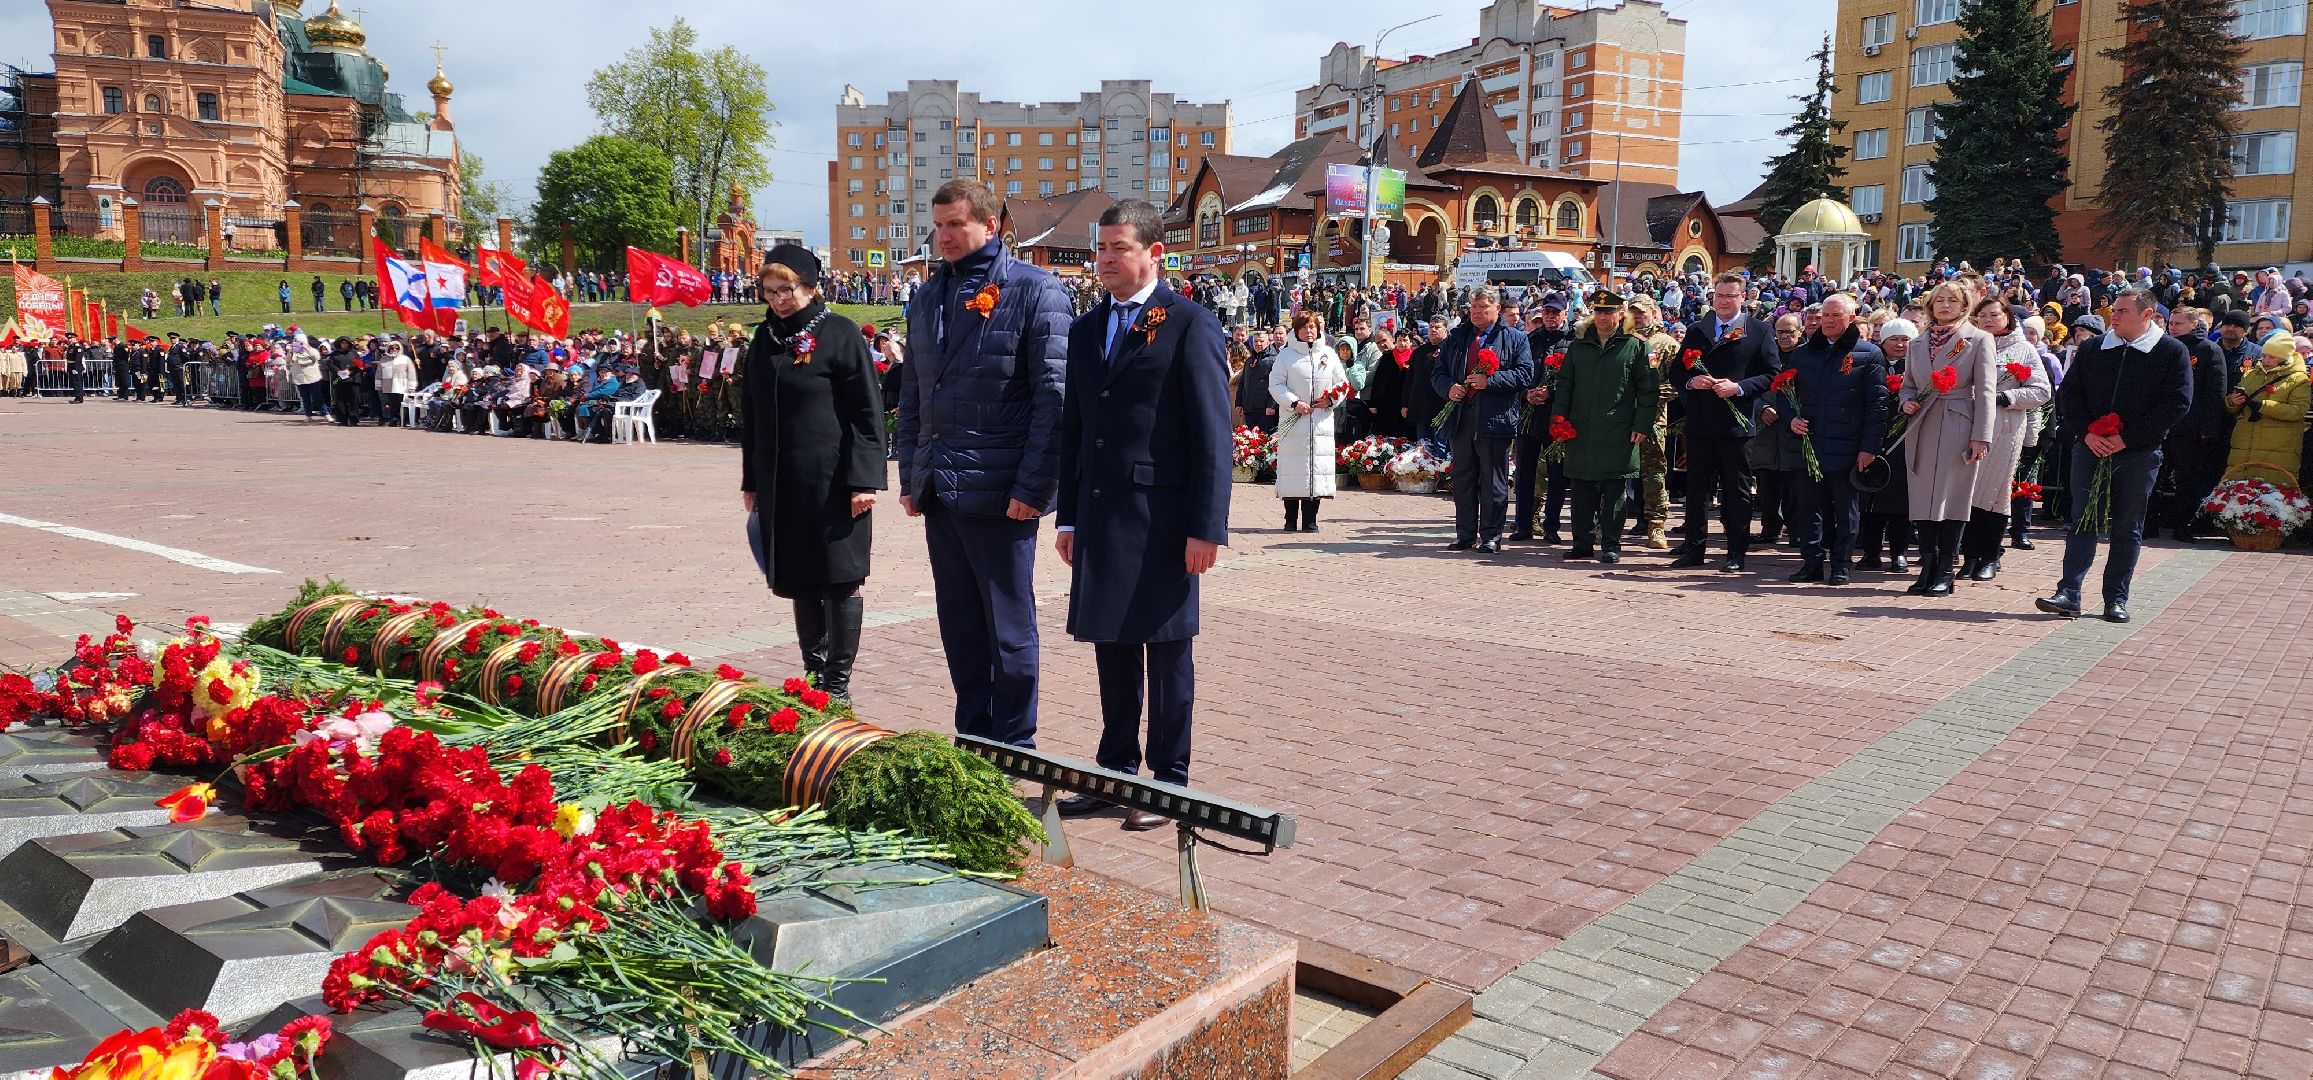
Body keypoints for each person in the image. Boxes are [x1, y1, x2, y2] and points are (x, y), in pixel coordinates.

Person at [1053, 199, 1232, 830]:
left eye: (1118, 248)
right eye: (1099, 248)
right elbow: (1075, 427)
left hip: (1165, 519)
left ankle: (1169, 782)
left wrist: (1207, 526)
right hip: (1102, 516)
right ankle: (1116, 769)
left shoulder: (1189, 323)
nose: (1104, 260)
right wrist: (1068, 516)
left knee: (1167, 651)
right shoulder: (1085, 328)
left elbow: (1214, 431)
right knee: (1112, 645)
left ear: (1156, 253)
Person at [894, 179, 1072, 749]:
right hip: (942, 490)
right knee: (961, 627)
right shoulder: (924, 297)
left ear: (989, 225)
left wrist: (1035, 487)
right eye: (938, 225)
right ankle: (973, 735)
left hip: (1002, 494)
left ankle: (1016, 742)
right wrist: (911, 476)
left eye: (956, 225)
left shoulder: (1034, 290)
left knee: (1009, 630)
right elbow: (916, 393)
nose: (943, 236)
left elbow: (1054, 399)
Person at [740, 245, 887, 701]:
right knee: (801, 576)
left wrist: (864, 480)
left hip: (834, 480)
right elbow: (753, 414)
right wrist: (752, 479)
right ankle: (813, 675)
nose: (779, 299)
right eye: (770, 291)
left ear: (810, 287)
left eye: (788, 290)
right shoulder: (764, 339)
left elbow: (868, 411)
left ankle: (838, 684)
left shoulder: (840, 334)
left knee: (839, 577)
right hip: (783, 480)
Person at [2038, 287, 2193, 624]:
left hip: (2137, 453)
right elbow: (2070, 395)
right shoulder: (2094, 348)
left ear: (2147, 315)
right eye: (2116, 310)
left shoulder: (2170, 351)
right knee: (2083, 519)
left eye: (2122, 311)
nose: (2115, 316)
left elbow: (2177, 404)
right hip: (2090, 447)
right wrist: (2086, 433)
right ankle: (2069, 592)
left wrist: (2127, 439)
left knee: (2127, 525)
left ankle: (2115, 598)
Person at [1671, 272, 1781, 571]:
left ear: (1742, 298)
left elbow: (1772, 373)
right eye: (1719, 295)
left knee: (1737, 491)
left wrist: (1739, 387)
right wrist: (1692, 382)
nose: (1723, 301)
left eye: (1730, 296)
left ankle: (1735, 552)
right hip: (1701, 423)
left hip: (1737, 425)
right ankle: (1694, 549)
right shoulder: (1698, 330)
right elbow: (1676, 373)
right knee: (1696, 490)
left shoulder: (1758, 331)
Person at [1896, 280, 1996, 598]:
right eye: (1940, 300)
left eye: (1952, 300)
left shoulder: (1978, 339)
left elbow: (1986, 391)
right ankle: (1927, 566)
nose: (1945, 305)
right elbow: (1909, 384)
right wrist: (1906, 401)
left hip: (1958, 422)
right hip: (1923, 424)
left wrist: (1981, 436)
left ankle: (1945, 569)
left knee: (1953, 499)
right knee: (1924, 499)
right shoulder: (1917, 344)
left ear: (1965, 304)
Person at [1784, 295, 1887, 585]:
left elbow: (1877, 406)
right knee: (1808, 508)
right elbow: (1784, 391)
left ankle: (1841, 564)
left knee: (1846, 509)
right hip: (1809, 443)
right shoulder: (1803, 353)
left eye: (1835, 316)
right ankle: (1812, 562)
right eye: (1824, 315)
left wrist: (1869, 447)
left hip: (1848, 446)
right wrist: (1791, 417)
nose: (1828, 321)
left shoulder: (1867, 353)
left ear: (1851, 318)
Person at [1549, 289, 1657, 563]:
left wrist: (1642, 424)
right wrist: (1559, 419)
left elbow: (1648, 390)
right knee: (1582, 488)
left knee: (1614, 489)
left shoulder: (1636, 346)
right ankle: (1582, 543)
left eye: (1608, 311)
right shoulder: (1579, 346)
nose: (1602, 317)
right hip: (1581, 429)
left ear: (1621, 315)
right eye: (1598, 311)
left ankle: (1611, 543)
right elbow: (1565, 386)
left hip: (1618, 430)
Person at [1433, 287, 1535, 553]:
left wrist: (1490, 382)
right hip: (1461, 418)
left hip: (1494, 420)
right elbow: (1438, 372)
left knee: (1493, 482)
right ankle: (1465, 533)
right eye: (1473, 308)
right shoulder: (1457, 337)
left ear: (1497, 309)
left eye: (1483, 308)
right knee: (1464, 480)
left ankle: (1491, 535)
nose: (1476, 313)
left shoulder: (1514, 338)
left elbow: (1525, 375)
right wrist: (1448, 388)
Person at [1959, 301, 2053, 581]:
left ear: (2007, 317)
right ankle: (1969, 556)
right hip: (1967, 427)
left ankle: (1990, 555)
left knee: (1996, 494)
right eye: (1983, 315)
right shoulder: (1968, 343)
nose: (1988, 320)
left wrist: (2005, 398)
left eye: (1994, 315)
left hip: (2004, 429)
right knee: (1967, 494)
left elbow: (2041, 391)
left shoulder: (2023, 349)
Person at [1268, 311, 1349, 532]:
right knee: (1294, 470)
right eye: (1304, 327)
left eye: (1312, 327)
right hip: (1294, 421)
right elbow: (1275, 384)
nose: (1309, 331)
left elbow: (1342, 383)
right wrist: (1294, 403)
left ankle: (1311, 519)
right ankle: (1290, 518)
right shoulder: (1286, 356)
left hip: (1320, 422)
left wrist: (1331, 398)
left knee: (1317, 469)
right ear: (1296, 330)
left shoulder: (1329, 354)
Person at [2162, 306, 2232, 542]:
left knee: (2187, 479)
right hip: (2162, 424)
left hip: (2191, 426)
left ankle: (2183, 526)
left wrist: (2209, 426)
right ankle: (2150, 524)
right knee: (2156, 475)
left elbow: (2216, 391)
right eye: (2171, 323)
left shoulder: (2208, 350)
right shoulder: (2163, 346)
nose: (2173, 327)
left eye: (2179, 323)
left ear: (2194, 324)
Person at [1512, 297, 1571, 543]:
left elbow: (1575, 381)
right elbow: (1518, 372)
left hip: (1557, 418)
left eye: (1555, 312)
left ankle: (1552, 526)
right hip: (1530, 416)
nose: (1550, 317)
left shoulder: (1574, 342)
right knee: (1524, 473)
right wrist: (1526, 393)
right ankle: (1523, 525)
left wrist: (1551, 393)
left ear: (1565, 313)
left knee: (1557, 474)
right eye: (1547, 312)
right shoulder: (1529, 340)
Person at [2224, 334, 2309, 486]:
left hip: (2278, 446)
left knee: (2271, 495)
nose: (2266, 360)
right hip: (2244, 445)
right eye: (2264, 355)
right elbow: (2233, 406)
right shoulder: (2252, 374)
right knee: (2239, 494)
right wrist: (2232, 401)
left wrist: (2263, 405)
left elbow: (2298, 410)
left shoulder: (2298, 379)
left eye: (2272, 357)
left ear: (2284, 358)